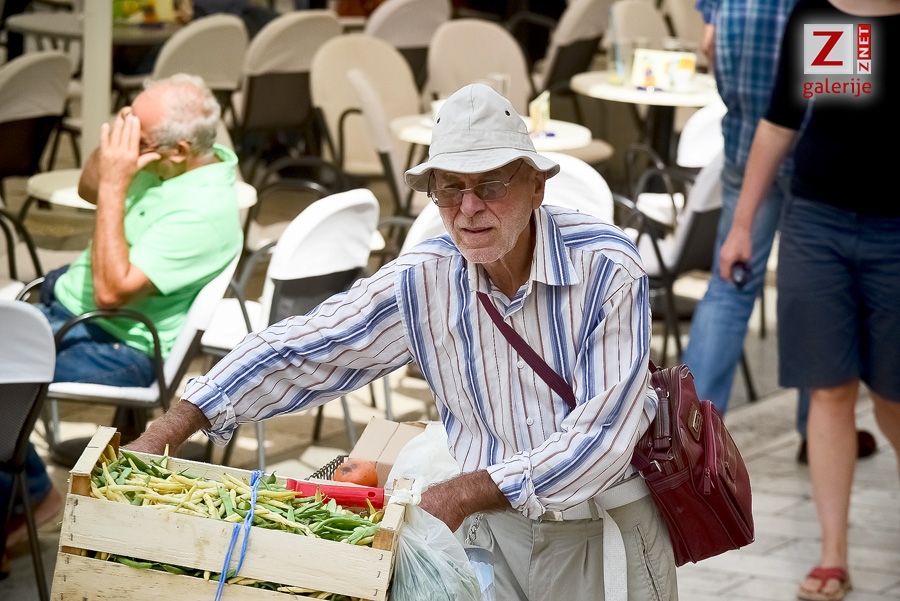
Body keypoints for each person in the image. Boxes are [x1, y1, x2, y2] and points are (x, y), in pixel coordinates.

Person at [127, 83, 678, 600]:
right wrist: (169, 429)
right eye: (450, 188)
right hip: (494, 532)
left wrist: (461, 493)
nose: (469, 208)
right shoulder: (424, 277)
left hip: (601, 526)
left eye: (490, 185)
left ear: (536, 186)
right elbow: (303, 347)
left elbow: (601, 439)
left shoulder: (607, 268)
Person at [1, 73, 243, 563]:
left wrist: (117, 182)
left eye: (137, 133)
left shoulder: (202, 212)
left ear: (177, 151)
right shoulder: (171, 160)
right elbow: (91, 186)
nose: (125, 137)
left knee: (5, 381)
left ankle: (32, 496)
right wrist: (117, 146)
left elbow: (111, 292)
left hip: (117, 342)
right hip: (67, 307)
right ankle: (19, 495)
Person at [717, 0, 899, 598]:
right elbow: (783, 120)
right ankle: (832, 555)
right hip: (819, 221)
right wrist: (742, 224)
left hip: (895, 233)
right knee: (829, 387)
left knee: (893, 397)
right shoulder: (824, 14)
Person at [683, 0, 877, 465]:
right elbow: (845, 86)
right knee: (820, 293)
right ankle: (819, 431)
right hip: (818, 157)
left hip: (746, 143)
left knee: (728, 289)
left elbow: (709, 43)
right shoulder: (826, 4)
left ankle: (688, 440)